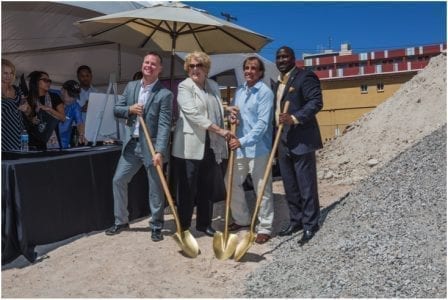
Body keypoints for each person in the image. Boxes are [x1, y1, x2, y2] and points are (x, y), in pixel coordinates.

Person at [105, 52, 173, 242]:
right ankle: (121, 221)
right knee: (118, 180)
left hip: (151, 147)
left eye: (153, 64)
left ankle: (157, 225)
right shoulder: (131, 87)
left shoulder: (165, 94)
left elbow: (165, 124)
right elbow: (116, 109)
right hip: (131, 146)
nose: (149, 66)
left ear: (160, 69)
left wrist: (160, 151)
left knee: (155, 188)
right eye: (146, 62)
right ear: (142, 64)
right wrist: (130, 109)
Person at [171, 51, 235, 237]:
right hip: (189, 145)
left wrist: (226, 110)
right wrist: (220, 130)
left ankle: (204, 224)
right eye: (191, 66)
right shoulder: (184, 86)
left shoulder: (213, 85)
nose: (195, 69)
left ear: (206, 68)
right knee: (187, 188)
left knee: (207, 185)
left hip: (211, 144)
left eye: (199, 65)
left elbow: (212, 106)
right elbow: (193, 114)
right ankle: (183, 227)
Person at [274, 46, 323, 245]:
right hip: (283, 140)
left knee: (306, 184)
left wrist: (294, 118)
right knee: (290, 185)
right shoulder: (277, 83)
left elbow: (316, 102)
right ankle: (296, 220)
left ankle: (311, 224)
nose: (281, 60)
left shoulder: (306, 77)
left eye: (285, 56)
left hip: (301, 138)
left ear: (293, 58)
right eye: (278, 57)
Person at [227, 56, 275, 244]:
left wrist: (242, 140)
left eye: (253, 68)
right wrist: (233, 119)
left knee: (262, 188)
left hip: (258, 148)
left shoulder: (265, 92)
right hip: (239, 147)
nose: (249, 71)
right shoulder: (239, 91)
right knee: (230, 182)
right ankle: (242, 219)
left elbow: (263, 124)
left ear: (260, 72)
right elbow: (238, 116)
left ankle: (265, 227)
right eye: (246, 68)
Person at [22, 71, 65, 150]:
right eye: (45, 80)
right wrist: (31, 120)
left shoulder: (54, 96)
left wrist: (49, 109)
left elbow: (63, 118)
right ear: (36, 82)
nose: (48, 83)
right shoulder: (28, 99)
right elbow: (25, 120)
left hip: (52, 141)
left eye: (49, 81)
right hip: (33, 141)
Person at [1, 59, 27, 151]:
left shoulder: (17, 89)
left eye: (11, 73)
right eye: (5, 73)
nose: (9, 76)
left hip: (19, 133)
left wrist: (25, 107)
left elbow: (28, 110)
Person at [58, 80, 86, 149]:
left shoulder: (75, 106)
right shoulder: (51, 96)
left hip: (63, 147)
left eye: (74, 96)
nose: (72, 99)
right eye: (70, 95)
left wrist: (82, 134)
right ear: (62, 90)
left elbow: (79, 123)